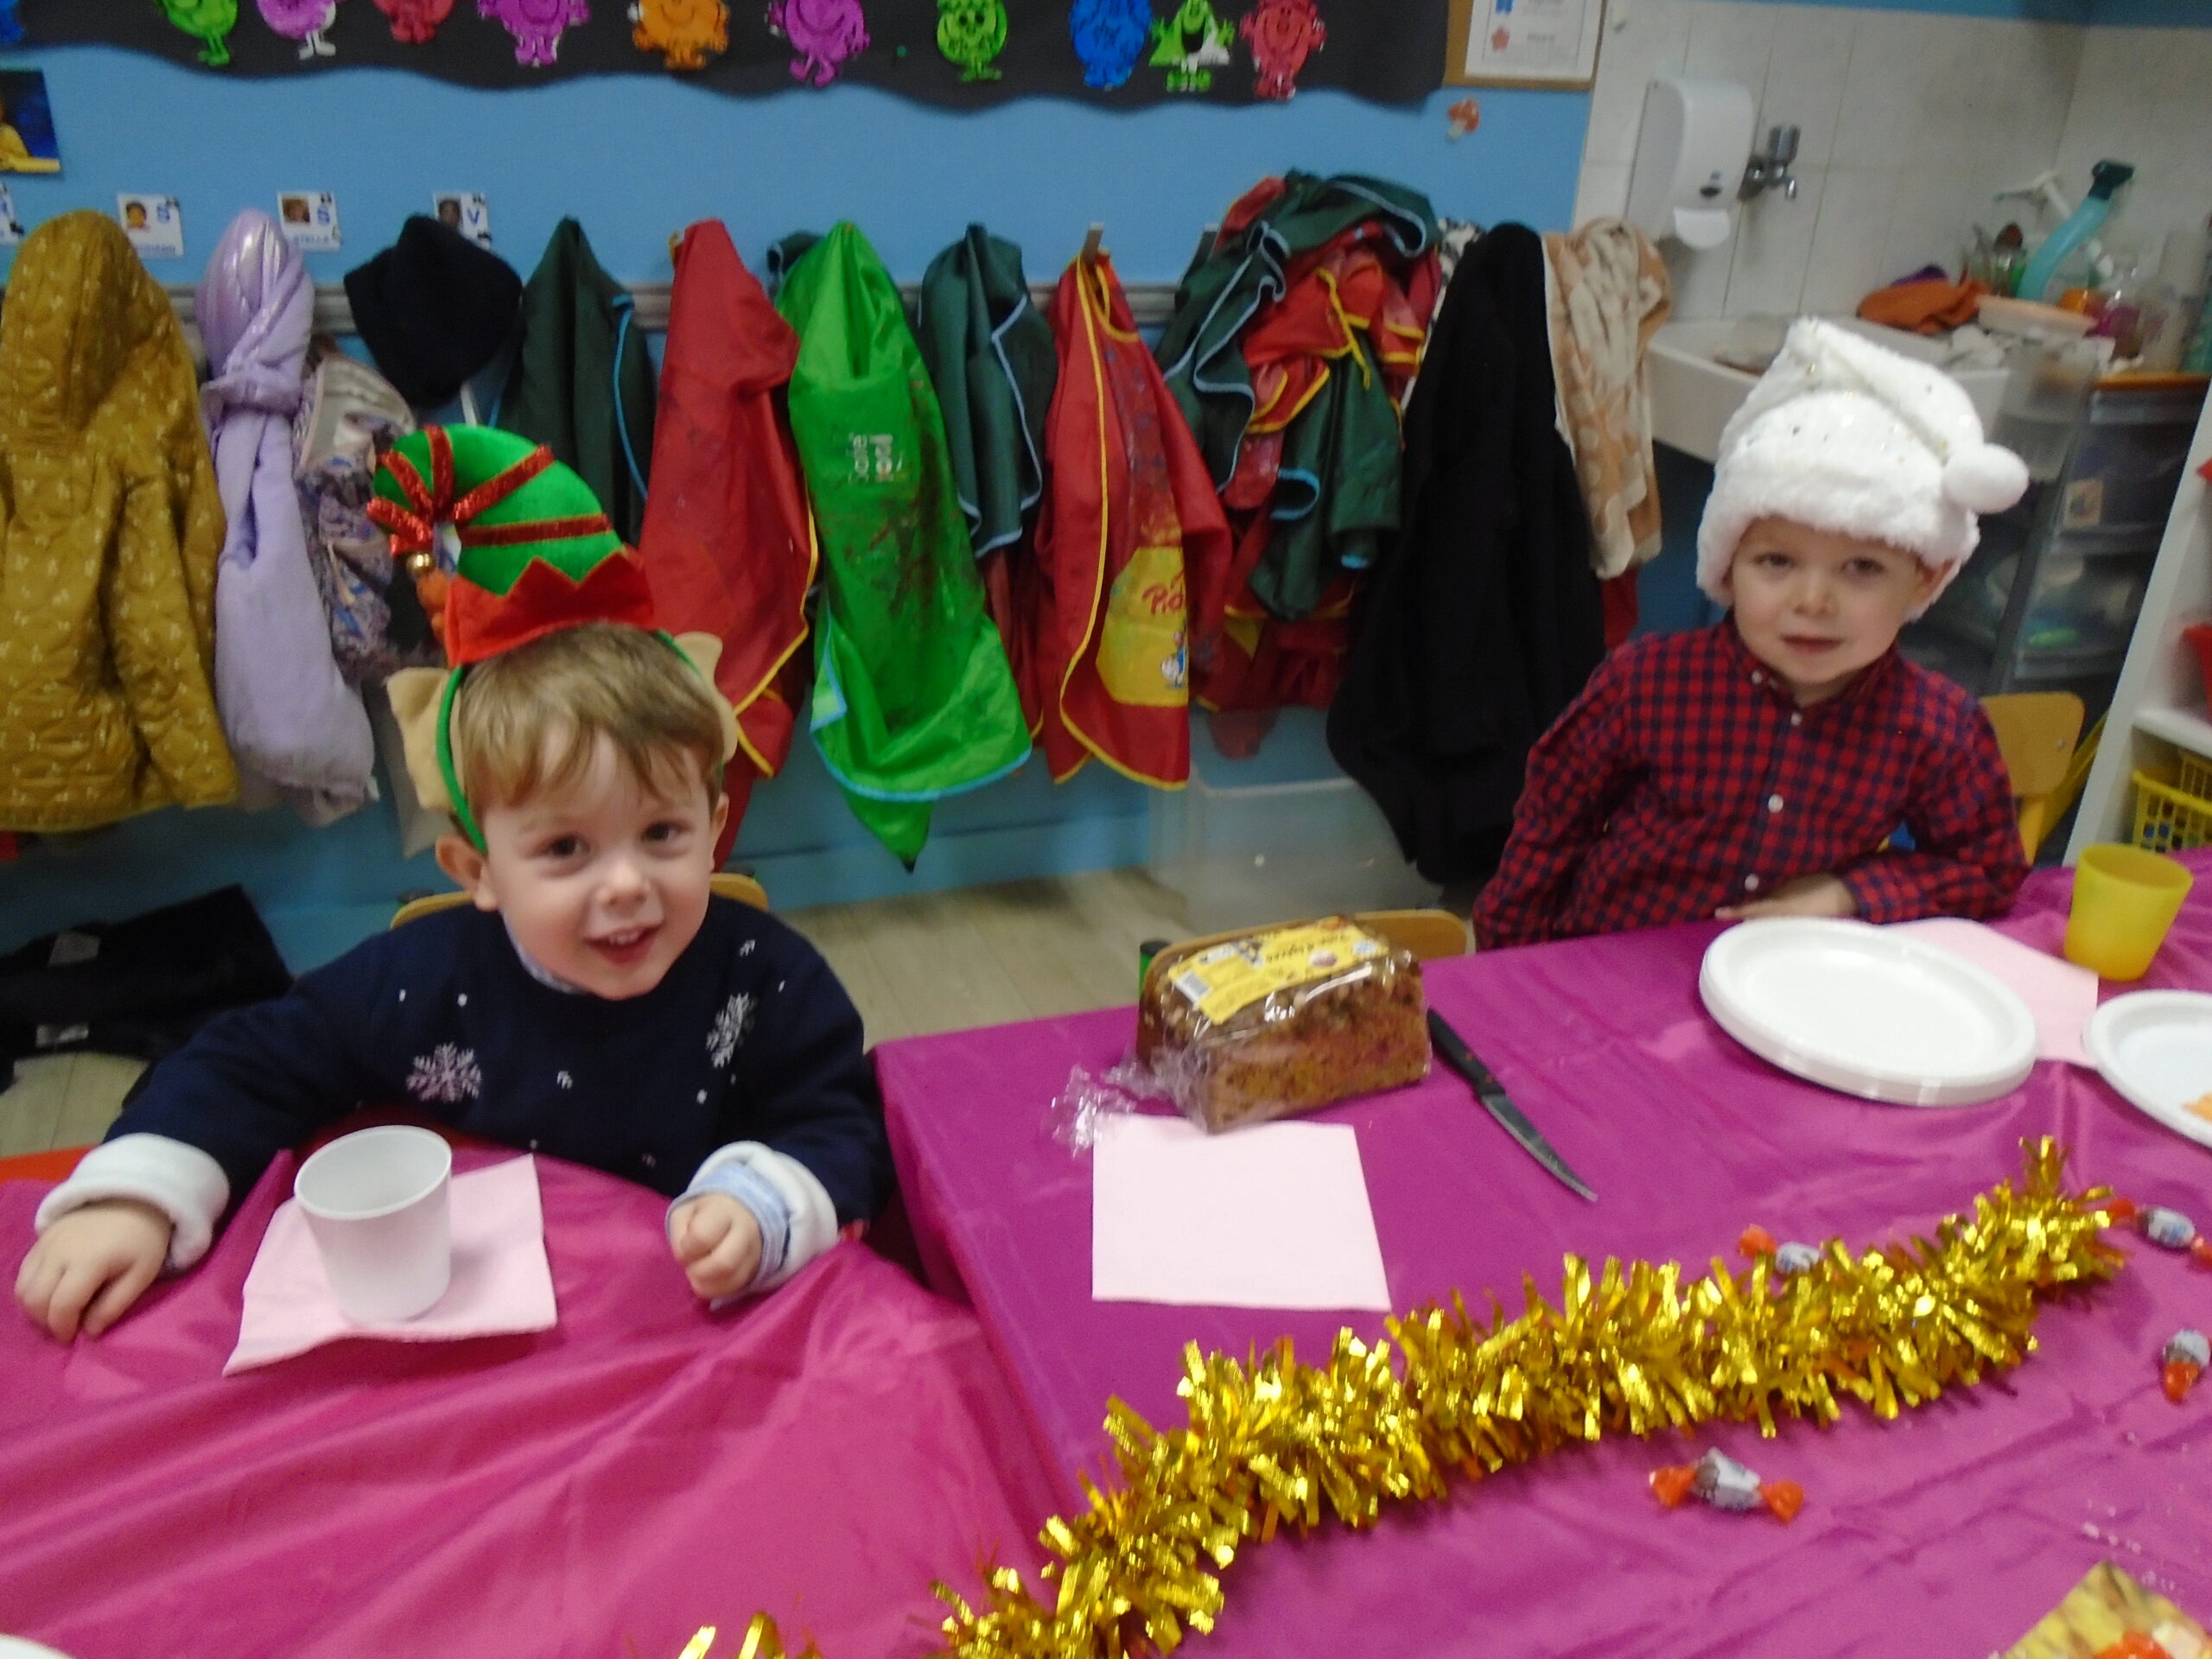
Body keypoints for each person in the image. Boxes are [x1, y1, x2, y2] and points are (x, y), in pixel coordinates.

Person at [16, 428, 893, 1342]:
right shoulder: (422, 982)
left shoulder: (768, 978)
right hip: (495, 1346)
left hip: (694, 1337)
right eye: (566, 849)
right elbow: (252, 1059)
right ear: (477, 872)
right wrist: (139, 1195)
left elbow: (846, 1127)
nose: (627, 884)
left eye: (662, 834)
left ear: (713, 831)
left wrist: (767, 1205)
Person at [1474, 319, 2033, 950]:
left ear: (1926, 579)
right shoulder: (1644, 684)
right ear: (1728, 567)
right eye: (1776, 562)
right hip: (1613, 959)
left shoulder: (1939, 728)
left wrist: (1848, 892)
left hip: (1784, 977)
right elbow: (1550, 827)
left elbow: (1989, 870)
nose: (1812, 602)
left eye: (1862, 568)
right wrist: (1502, 965)